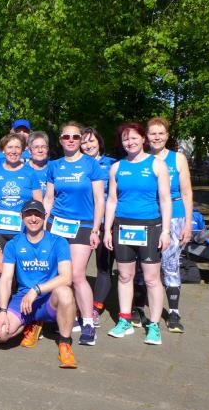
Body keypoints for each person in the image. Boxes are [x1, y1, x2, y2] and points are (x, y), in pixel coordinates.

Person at [0, 200, 78, 368]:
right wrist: (2, 311)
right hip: (23, 300)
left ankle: (65, 343)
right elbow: (6, 279)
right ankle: (33, 323)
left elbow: (67, 278)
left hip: (49, 299)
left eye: (38, 214)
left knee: (65, 292)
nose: (33, 218)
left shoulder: (58, 242)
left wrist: (36, 290)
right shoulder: (13, 244)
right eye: (29, 214)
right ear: (21, 217)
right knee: (0, 335)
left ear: (45, 217)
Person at [104, 122, 172, 345]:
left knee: (152, 279)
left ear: (143, 139)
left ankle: (154, 325)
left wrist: (166, 231)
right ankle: (124, 320)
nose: (130, 142)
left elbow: (165, 200)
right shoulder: (117, 167)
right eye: (125, 139)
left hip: (150, 226)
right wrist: (107, 230)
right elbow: (112, 200)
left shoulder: (157, 165)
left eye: (134, 138)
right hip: (123, 227)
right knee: (124, 276)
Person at [43, 121, 105, 346]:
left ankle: (88, 322)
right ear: (60, 140)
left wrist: (96, 229)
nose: (71, 140)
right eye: (66, 137)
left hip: (83, 225)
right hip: (56, 225)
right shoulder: (54, 166)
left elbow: (99, 200)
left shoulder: (91, 164)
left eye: (75, 137)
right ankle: (57, 317)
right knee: (57, 274)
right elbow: (49, 199)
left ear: (81, 140)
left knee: (77, 275)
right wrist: (43, 225)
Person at [146, 117, 193, 333]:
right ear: (146, 136)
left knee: (170, 262)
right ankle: (139, 306)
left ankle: (173, 311)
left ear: (167, 135)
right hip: (149, 214)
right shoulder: (142, 158)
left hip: (175, 215)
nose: (157, 137)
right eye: (152, 133)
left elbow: (187, 192)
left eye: (161, 133)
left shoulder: (178, 159)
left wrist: (188, 225)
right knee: (146, 262)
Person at [80, 127, 116, 326]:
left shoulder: (112, 164)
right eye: (84, 142)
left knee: (103, 267)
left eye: (91, 141)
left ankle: (95, 308)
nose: (88, 145)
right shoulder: (78, 164)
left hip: (105, 225)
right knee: (78, 269)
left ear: (99, 142)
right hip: (83, 223)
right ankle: (78, 304)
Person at [0, 133, 42, 247]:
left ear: (22, 150)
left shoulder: (30, 172)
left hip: (22, 230)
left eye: (17, 147)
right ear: (3, 150)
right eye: (10, 147)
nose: (14, 151)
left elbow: (38, 203)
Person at [26, 131, 50, 196]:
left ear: (47, 149)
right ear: (29, 150)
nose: (40, 150)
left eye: (43, 147)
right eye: (36, 147)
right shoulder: (23, 170)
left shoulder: (54, 167)